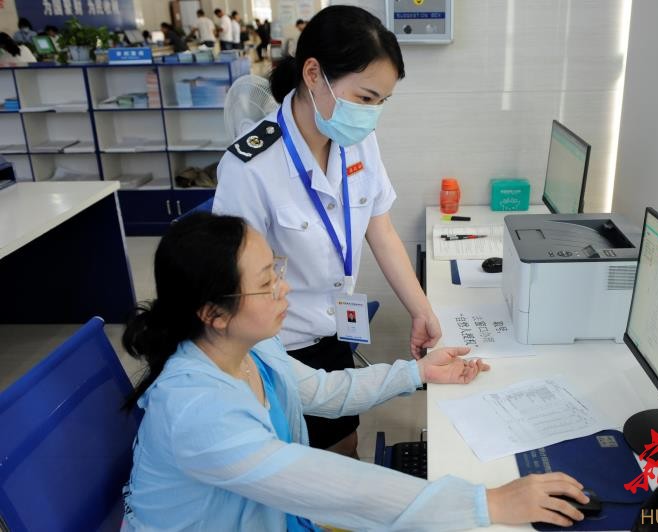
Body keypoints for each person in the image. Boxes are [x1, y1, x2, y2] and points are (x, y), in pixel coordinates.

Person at [120, 211, 591, 531]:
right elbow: (322, 484)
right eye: (267, 283)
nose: (285, 289)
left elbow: (322, 390)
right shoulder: (197, 409)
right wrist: (488, 502)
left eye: (276, 270)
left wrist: (418, 373)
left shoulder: (247, 348)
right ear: (213, 313)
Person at [213, 5, 442, 458]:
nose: (372, 115)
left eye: (381, 102)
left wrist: (421, 309)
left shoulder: (358, 141)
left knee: (345, 443)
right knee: (300, 461)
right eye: (365, 98)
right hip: (276, 345)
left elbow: (380, 228)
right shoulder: (251, 166)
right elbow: (234, 286)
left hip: (336, 326)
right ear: (314, 74)